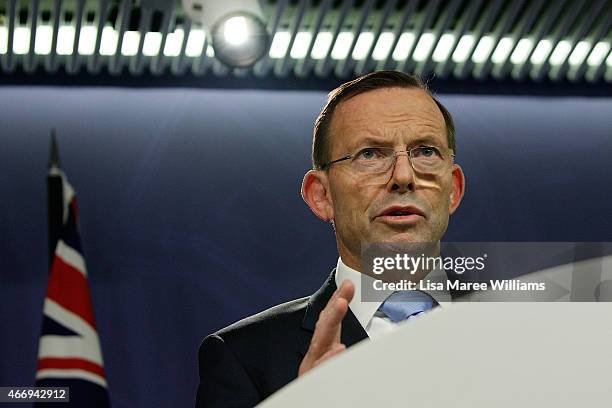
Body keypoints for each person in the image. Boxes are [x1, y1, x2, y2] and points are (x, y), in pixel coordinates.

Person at [195, 70, 466, 407]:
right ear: (321, 195)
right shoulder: (244, 358)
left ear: (453, 189)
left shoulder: (530, 329)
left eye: (425, 151)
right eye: (370, 154)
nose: (403, 176)